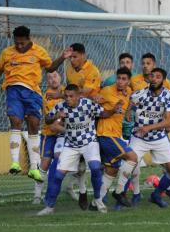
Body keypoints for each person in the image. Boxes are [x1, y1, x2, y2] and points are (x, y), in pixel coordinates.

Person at [0, 26, 71, 182]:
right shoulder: (7, 53)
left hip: (33, 93)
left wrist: (62, 57)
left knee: (34, 125)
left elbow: (50, 68)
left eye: (22, 43)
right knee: (15, 121)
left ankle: (34, 168)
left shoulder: (39, 51)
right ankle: (15, 162)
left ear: (29, 39)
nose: (20, 46)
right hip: (13, 90)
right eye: (17, 43)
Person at [37, 84, 123, 215]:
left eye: (71, 96)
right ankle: (49, 207)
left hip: (89, 143)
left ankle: (98, 199)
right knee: (58, 175)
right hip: (70, 145)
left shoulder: (88, 104)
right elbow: (47, 119)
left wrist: (113, 110)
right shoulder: (61, 107)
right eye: (65, 96)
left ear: (78, 96)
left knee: (95, 168)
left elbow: (103, 113)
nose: (67, 99)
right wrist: (56, 116)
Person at [47, 42, 102, 208]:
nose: (72, 60)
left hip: (91, 113)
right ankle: (82, 190)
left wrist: (58, 94)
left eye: (75, 57)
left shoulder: (93, 71)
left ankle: (97, 196)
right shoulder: (70, 70)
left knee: (96, 164)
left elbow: (82, 93)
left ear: (83, 55)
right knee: (78, 162)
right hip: (73, 115)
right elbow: (71, 92)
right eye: (70, 57)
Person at [128, 68, 170, 208]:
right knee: (128, 167)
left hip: (158, 137)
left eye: (158, 76)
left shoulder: (169, 95)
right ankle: (125, 198)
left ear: (163, 80)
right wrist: (128, 113)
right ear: (149, 78)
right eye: (152, 76)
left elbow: (168, 122)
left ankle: (156, 195)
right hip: (139, 137)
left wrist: (149, 128)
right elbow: (130, 101)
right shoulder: (140, 94)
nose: (155, 79)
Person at [96, 67, 138, 208]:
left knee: (111, 170)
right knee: (132, 157)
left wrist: (129, 111)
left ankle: (97, 201)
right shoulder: (107, 90)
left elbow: (127, 112)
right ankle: (119, 192)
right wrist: (110, 109)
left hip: (115, 134)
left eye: (124, 79)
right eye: (119, 78)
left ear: (128, 81)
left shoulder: (129, 93)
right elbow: (95, 108)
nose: (120, 81)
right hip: (105, 134)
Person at [32, 71, 64, 204]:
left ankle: (75, 188)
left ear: (60, 78)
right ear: (47, 81)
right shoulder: (46, 96)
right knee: (45, 163)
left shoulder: (66, 92)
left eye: (55, 76)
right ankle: (37, 195)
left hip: (64, 134)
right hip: (49, 134)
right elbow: (48, 120)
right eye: (49, 78)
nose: (53, 79)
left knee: (73, 162)